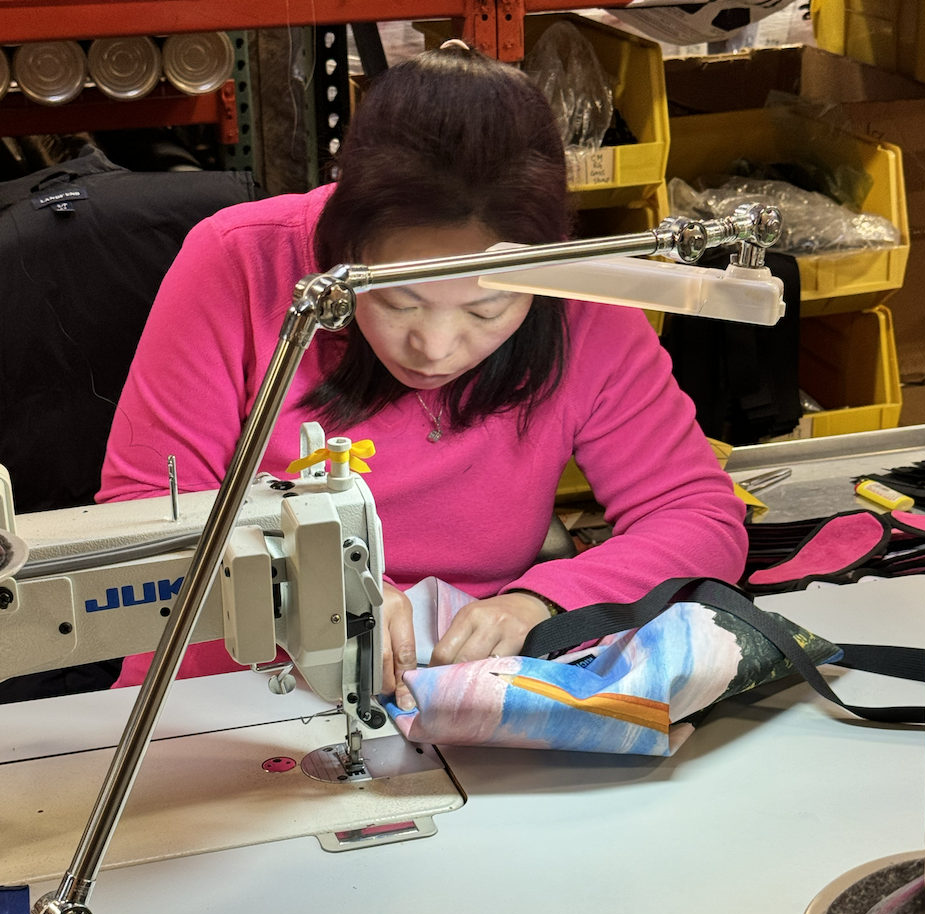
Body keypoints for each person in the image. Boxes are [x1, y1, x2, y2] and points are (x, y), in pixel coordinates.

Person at [99, 40, 748, 706]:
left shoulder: (576, 300)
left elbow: (698, 517)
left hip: (449, 692)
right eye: (398, 301)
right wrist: (313, 590)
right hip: (228, 693)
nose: (435, 347)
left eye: (486, 308)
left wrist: (543, 601)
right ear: (342, 250)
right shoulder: (239, 265)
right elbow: (143, 517)